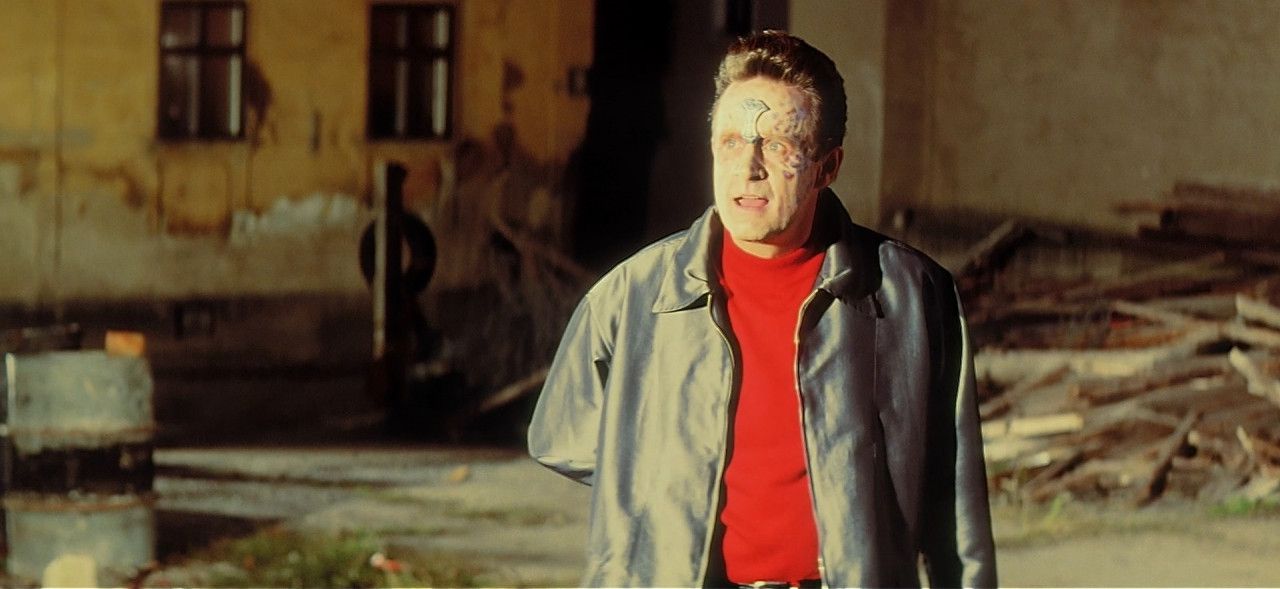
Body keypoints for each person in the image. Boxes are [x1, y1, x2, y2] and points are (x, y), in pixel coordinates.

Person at [528, 31, 996, 589]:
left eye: (776, 145)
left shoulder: (910, 295)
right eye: (730, 142)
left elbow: (956, 505)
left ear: (827, 166)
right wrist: (660, 491)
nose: (748, 167)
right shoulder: (635, 295)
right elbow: (559, 435)